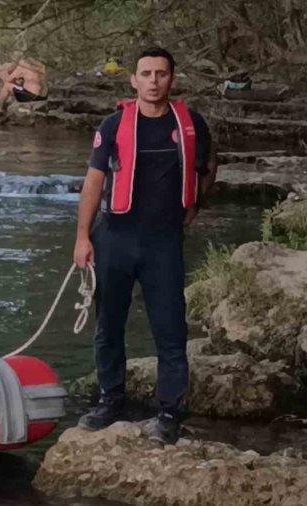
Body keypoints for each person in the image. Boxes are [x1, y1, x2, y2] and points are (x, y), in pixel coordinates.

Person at [73, 47, 216, 445]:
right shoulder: (115, 124)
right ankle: (109, 399)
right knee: (108, 327)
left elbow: (207, 165)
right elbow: (93, 182)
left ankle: (170, 412)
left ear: (172, 78)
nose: (153, 81)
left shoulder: (191, 124)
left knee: (170, 331)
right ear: (133, 80)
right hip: (114, 238)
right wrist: (83, 238)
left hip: (163, 243)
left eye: (161, 74)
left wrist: (195, 205)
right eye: (146, 74)